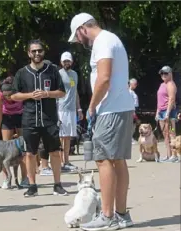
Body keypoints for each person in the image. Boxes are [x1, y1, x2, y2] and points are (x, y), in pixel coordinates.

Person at [68, 13, 135, 230]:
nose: (79, 42)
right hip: (121, 107)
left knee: (104, 159)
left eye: (77, 38)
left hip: (110, 109)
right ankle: (122, 215)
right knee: (117, 160)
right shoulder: (111, 39)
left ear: (82, 30)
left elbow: (104, 78)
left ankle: (107, 216)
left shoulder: (103, 41)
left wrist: (91, 106)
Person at [11, 39, 67, 197]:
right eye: (34, 51)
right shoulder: (22, 73)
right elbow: (14, 95)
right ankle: (32, 185)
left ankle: (57, 184)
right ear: (29, 53)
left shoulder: (53, 70)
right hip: (29, 118)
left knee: (55, 152)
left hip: (49, 118)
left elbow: (62, 92)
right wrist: (30, 95)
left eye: (39, 50)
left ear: (44, 52)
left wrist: (47, 94)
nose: (37, 53)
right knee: (30, 153)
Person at [0, 76, 28, 188]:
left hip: (20, 116)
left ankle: (25, 178)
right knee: (5, 150)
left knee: (24, 150)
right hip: (7, 118)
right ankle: (7, 179)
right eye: (5, 95)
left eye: (10, 95)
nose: (8, 97)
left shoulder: (20, 93)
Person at [57, 51, 83, 172]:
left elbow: (75, 91)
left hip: (72, 109)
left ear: (71, 62)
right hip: (61, 109)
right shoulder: (58, 74)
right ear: (61, 62)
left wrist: (79, 108)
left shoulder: (75, 75)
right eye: (64, 61)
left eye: (68, 60)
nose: (66, 63)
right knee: (62, 136)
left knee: (68, 137)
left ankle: (66, 161)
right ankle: (61, 162)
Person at [156, 66, 178, 162]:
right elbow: (159, 100)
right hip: (161, 112)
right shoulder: (162, 84)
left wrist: (168, 113)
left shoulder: (170, 84)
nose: (163, 75)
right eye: (162, 74)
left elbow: (171, 99)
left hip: (169, 112)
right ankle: (168, 155)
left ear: (170, 74)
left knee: (172, 133)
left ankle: (174, 155)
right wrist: (157, 112)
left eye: (165, 73)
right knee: (165, 134)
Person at [129, 78, 139, 144]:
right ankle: (130, 138)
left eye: (136, 84)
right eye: (134, 84)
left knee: (133, 125)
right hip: (131, 110)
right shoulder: (129, 92)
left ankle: (130, 138)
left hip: (134, 109)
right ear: (130, 84)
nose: (136, 85)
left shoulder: (133, 92)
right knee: (132, 125)